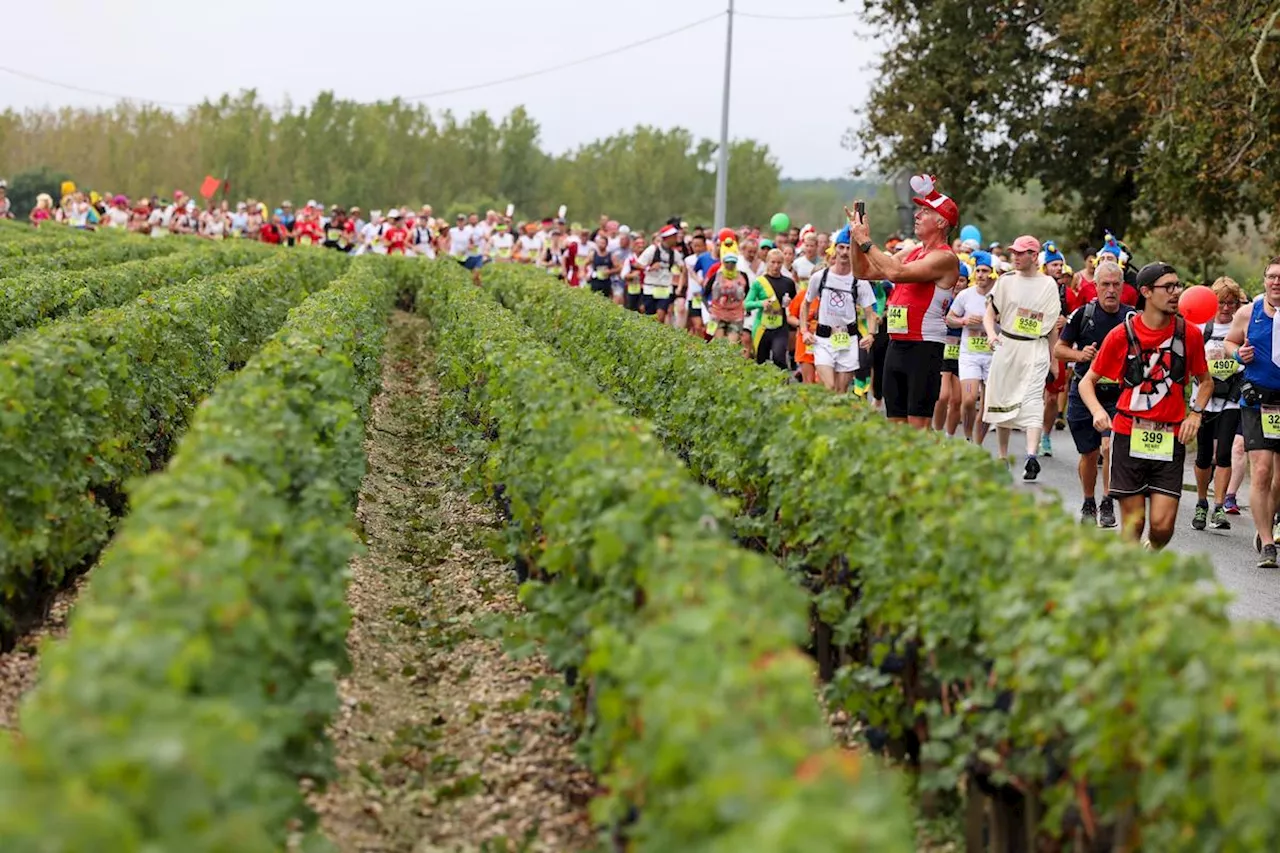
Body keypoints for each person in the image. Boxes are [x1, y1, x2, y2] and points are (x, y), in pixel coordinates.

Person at [1079, 262, 1212, 550]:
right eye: (1168, 287)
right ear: (1146, 292)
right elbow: (1086, 382)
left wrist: (1195, 414)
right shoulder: (1121, 335)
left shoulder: (1189, 334)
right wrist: (1099, 411)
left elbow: (1206, 382)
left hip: (1170, 437)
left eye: (1178, 286)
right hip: (1129, 433)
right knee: (1134, 524)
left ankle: (1148, 552)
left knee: (1162, 529)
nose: (1176, 292)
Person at [849, 175, 960, 429]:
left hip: (924, 347)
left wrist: (866, 241)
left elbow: (895, 274)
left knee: (917, 429)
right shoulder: (912, 251)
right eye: (919, 210)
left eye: (925, 211)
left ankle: (934, 468)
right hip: (897, 344)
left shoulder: (945, 258)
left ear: (941, 221)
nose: (917, 215)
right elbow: (862, 272)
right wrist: (855, 238)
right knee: (896, 427)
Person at [1054, 260, 1133, 527]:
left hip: (1118, 394)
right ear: (1095, 286)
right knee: (1088, 454)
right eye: (1105, 285)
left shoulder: (1132, 318)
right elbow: (1059, 350)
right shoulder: (1082, 315)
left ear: (1123, 287)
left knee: (1110, 446)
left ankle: (1107, 501)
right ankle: (1089, 501)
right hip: (1084, 391)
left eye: (1115, 285)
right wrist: (1081, 354)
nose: (1111, 290)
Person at [982, 235, 1061, 480]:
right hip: (1007, 345)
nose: (1015, 256)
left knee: (1033, 399)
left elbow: (1051, 327)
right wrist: (991, 335)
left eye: (1021, 252)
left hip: (1035, 348)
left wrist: (1054, 359)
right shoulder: (1005, 282)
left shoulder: (1048, 284)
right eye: (1013, 252)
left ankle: (1031, 456)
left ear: (1034, 256)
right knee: (1002, 399)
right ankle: (1003, 456)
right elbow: (989, 315)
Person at [1225, 256, 1280, 566]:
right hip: (1257, 401)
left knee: (1279, 480)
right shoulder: (1249, 312)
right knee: (1261, 470)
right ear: (1264, 281)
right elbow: (1230, 343)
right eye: (1271, 276)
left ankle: (1266, 525)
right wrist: (1238, 354)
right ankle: (1268, 542)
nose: (1276, 282)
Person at [1188, 276, 1248, 532]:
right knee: (1203, 456)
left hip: (1231, 400)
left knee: (1223, 453)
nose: (1226, 308)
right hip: (1204, 398)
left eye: (1231, 303)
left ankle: (1219, 506)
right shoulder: (1201, 329)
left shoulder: (1241, 329)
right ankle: (1202, 501)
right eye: (1221, 303)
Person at [800, 228, 878, 393]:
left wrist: (871, 334)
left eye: (848, 248)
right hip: (823, 339)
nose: (844, 252)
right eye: (841, 247)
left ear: (854, 251)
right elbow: (805, 304)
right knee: (830, 387)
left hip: (847, 341)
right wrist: (804, 331)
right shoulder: (820, 277)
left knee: (841, 392)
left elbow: (870, 312)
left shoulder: (859, 282)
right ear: (834, 248)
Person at [947, 251, 996, 444]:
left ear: (993, 273)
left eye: (985, 271)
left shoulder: (999, 295)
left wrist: (994, 319)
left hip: (993, 356)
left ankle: (977, 444)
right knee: (968, 400)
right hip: (970, 356)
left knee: (987, 407)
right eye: (978, 271)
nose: (981, 275)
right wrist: (964, 321)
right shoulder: (965, 295)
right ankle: (967, 437)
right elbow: (949, 319)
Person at [746, 248, 799, 369]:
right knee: (761, 361)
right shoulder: (759, 282)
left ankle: (783, 385)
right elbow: (747, 303)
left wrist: (790, 303)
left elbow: (795, 303)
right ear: (767, 262)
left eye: (779, 263)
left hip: (780, 327)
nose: (776, 266)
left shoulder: (788, 283)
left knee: (779, 357)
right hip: (762, 327)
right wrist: (761, 303)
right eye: (773, 262)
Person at [635, 224, 683, 324]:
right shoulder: (652, 250)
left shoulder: (674, 254)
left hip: (665, 289)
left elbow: (683, 268)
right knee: (650, 317)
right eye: (674, 237)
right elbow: (638, 264)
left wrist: (680, 280)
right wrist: (649, 268)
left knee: (660, 316)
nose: (676, 239)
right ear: (667, 238)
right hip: (650, 288)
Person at [708, 252, 751, 355]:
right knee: (719, 345)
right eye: (728, 262)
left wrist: (747, 308)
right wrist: (708, 307)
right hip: (718, 314)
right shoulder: (717, 276)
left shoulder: (742, 276)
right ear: (723, 263)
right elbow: (705, 292)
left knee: (731, 346)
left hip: (736, 315)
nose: (730, 265)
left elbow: (748, 294)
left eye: (732, 262)